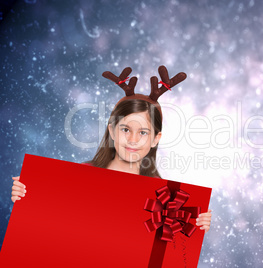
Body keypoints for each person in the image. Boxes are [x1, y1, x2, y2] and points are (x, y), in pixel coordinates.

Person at [11, 65, 212, 232]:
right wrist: (27, 194)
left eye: (143, 132)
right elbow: (53, 220)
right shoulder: (81, 176)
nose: (133, 140)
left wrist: (197, 222)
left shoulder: (165, 198)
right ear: (112, 131)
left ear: (155, 139)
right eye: (126, 129)